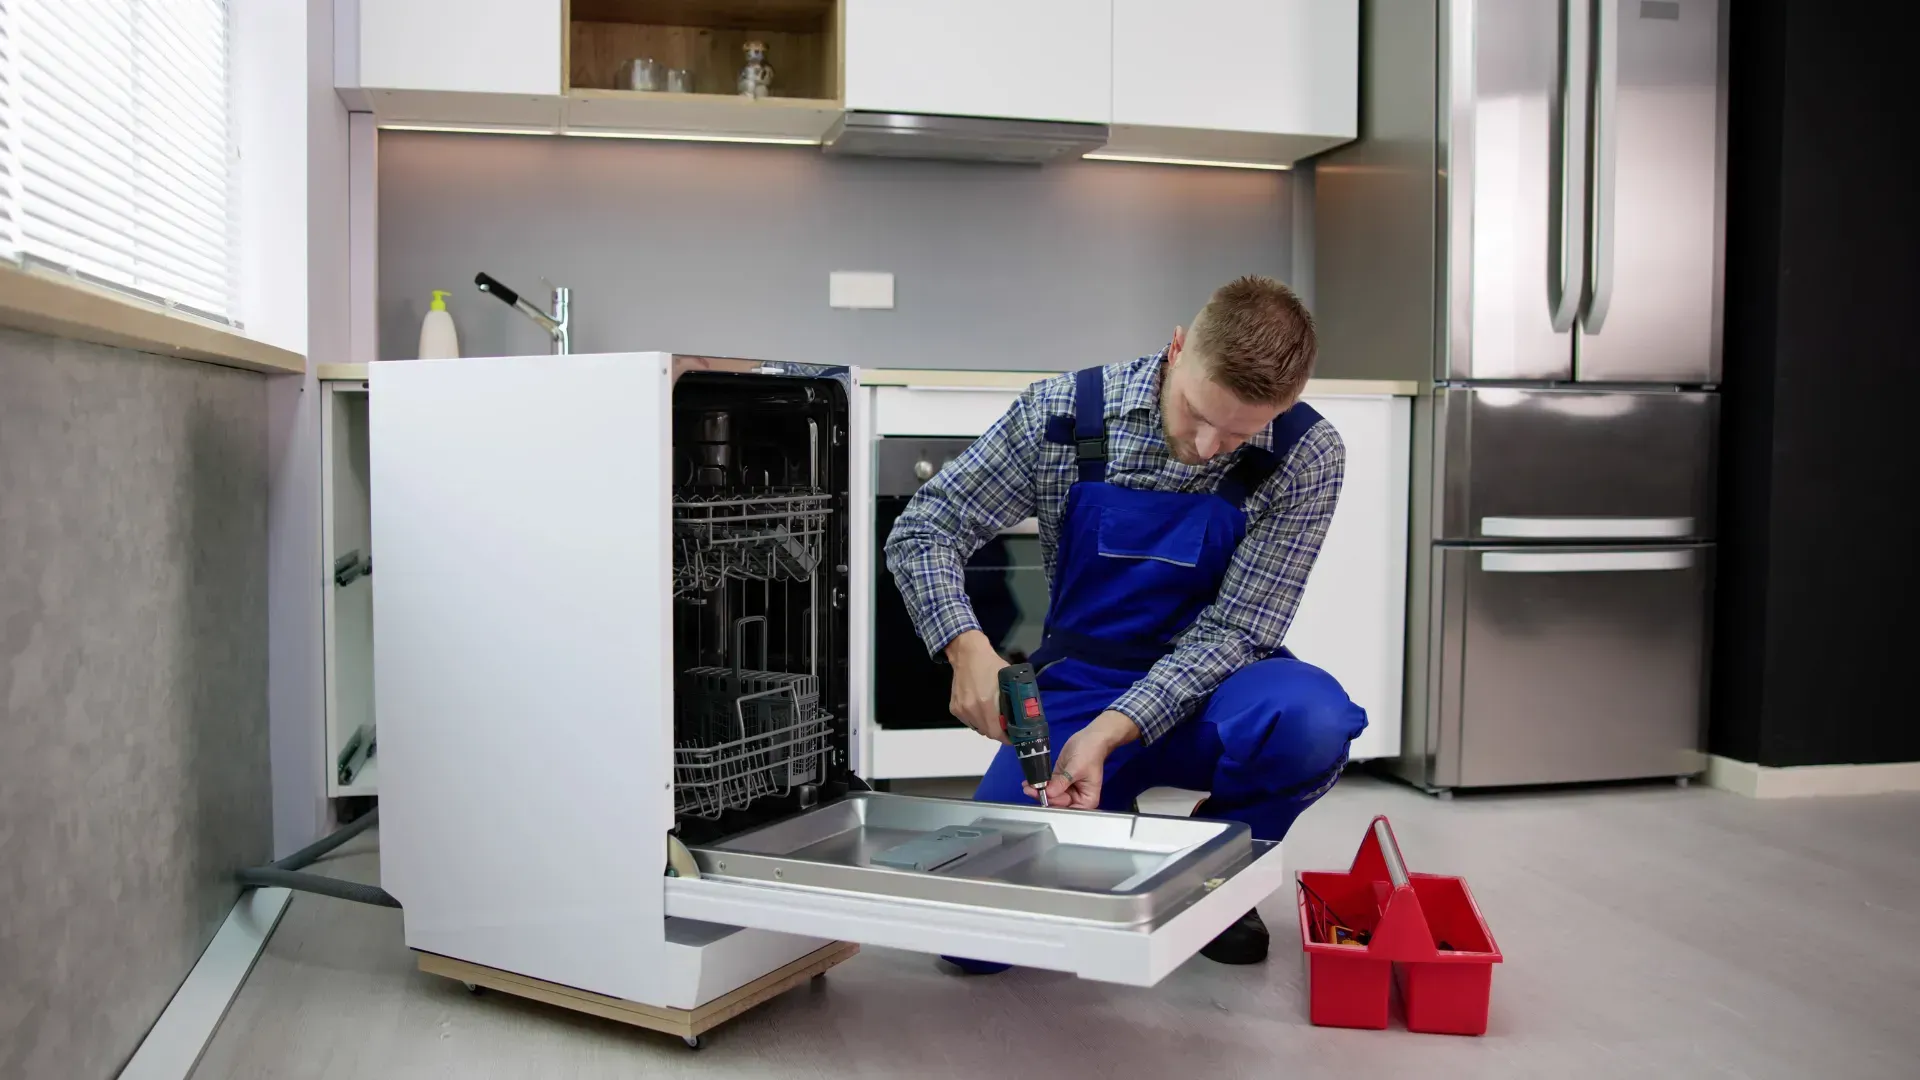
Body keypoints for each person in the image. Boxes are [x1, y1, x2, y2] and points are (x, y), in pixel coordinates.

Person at [884, 275, 1368, 970]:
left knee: (1311, 722)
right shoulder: (1060, 412)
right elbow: (925, 528)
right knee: (972, 949)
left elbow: (1237, 632)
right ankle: (1101, 827)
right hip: (1079, 687)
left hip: (1215, 687)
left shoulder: (1307, 454)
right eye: (1198, 414)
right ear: (1176, 350)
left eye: (1239, 433)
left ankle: (1216, 862)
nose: (1208, 446)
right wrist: (967, 649)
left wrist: (1114, 732)